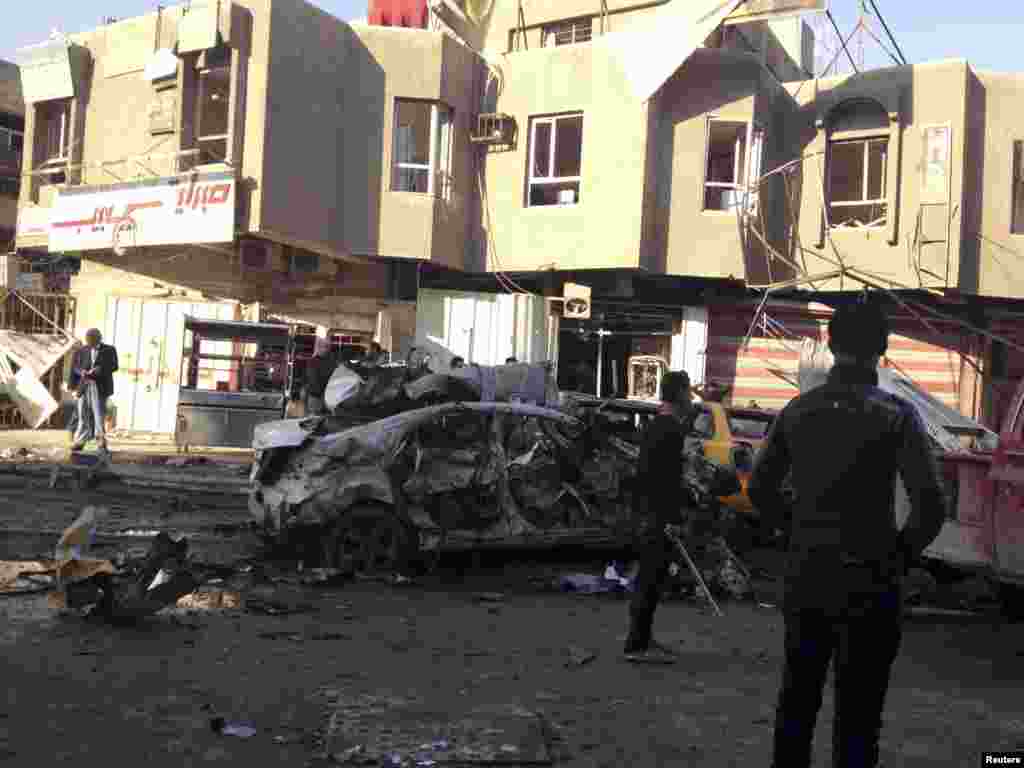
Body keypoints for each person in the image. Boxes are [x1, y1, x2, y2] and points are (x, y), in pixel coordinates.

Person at [748, 297, 947, 768]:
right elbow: (932, 504)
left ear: (831, 344)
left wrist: (796, 530)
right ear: (882, 349)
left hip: (807, 577)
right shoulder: (897, 415)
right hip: (871, 584)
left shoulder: (797, 411)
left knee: (797, 701)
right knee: (859, 715)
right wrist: (898, 556)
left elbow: (760, 489)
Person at [623, 369, 697, 664]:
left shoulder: (660, 427)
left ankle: (642, 639)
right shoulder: (667, 430)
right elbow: (661, 479)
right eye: (688, 390)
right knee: (650, 579)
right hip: (658, 516)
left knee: (652, 579)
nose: (691, 396)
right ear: (679, 393)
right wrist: (668, 517)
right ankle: (637, 645)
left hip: (653, 513)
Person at [69, 329, 119, 453]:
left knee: (99, 415)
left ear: (98, 338)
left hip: (100, 386)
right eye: (88, 340)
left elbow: (114, 366)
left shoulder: (109, 350)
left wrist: (100, 370)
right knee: (82, 415)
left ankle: (101, 443)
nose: (89, 342)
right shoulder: (81, 350)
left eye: (92, 340)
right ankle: (80, 441)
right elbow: (74, 367)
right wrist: (81, 373)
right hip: (83, 385)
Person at [304, 338, 336, 416]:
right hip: (317, 396)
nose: (325, 349)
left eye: (327, 347)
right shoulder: (313, 362)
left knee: (321, 418)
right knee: (314, 418)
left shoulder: (331, 362)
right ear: (318, 347)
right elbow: (312, 379)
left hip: (325, 396)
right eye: (324, 346)